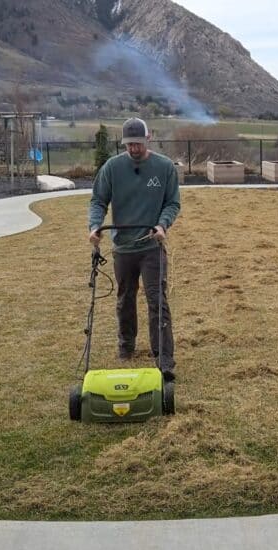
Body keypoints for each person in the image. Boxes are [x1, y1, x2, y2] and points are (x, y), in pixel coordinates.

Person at [88, 117, 180, 380]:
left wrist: (162, 225)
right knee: (125, 299)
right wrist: (95, 227)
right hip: (123, 247)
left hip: (152, 245)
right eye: (129, 145)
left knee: (157, 301)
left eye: (138, 144)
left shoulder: (163, 167)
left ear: (147, 139)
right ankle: (126, 346)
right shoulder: (112, 168)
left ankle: (164, 359)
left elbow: (172, 202)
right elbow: (98, 201)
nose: (134, 149)